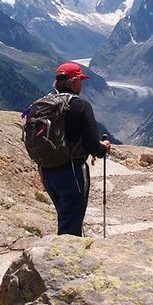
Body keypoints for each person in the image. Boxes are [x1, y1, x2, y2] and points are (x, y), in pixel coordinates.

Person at [37, 62, 111, 236]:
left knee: (65, 215)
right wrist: (103, 148)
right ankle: (65, 258)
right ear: (74, 81)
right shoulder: (80, 106)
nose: (82, 84)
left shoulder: (44, 102)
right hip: (72, 172)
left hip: (47, 171)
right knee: (71, 222)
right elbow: (94, 147)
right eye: (80, 80)